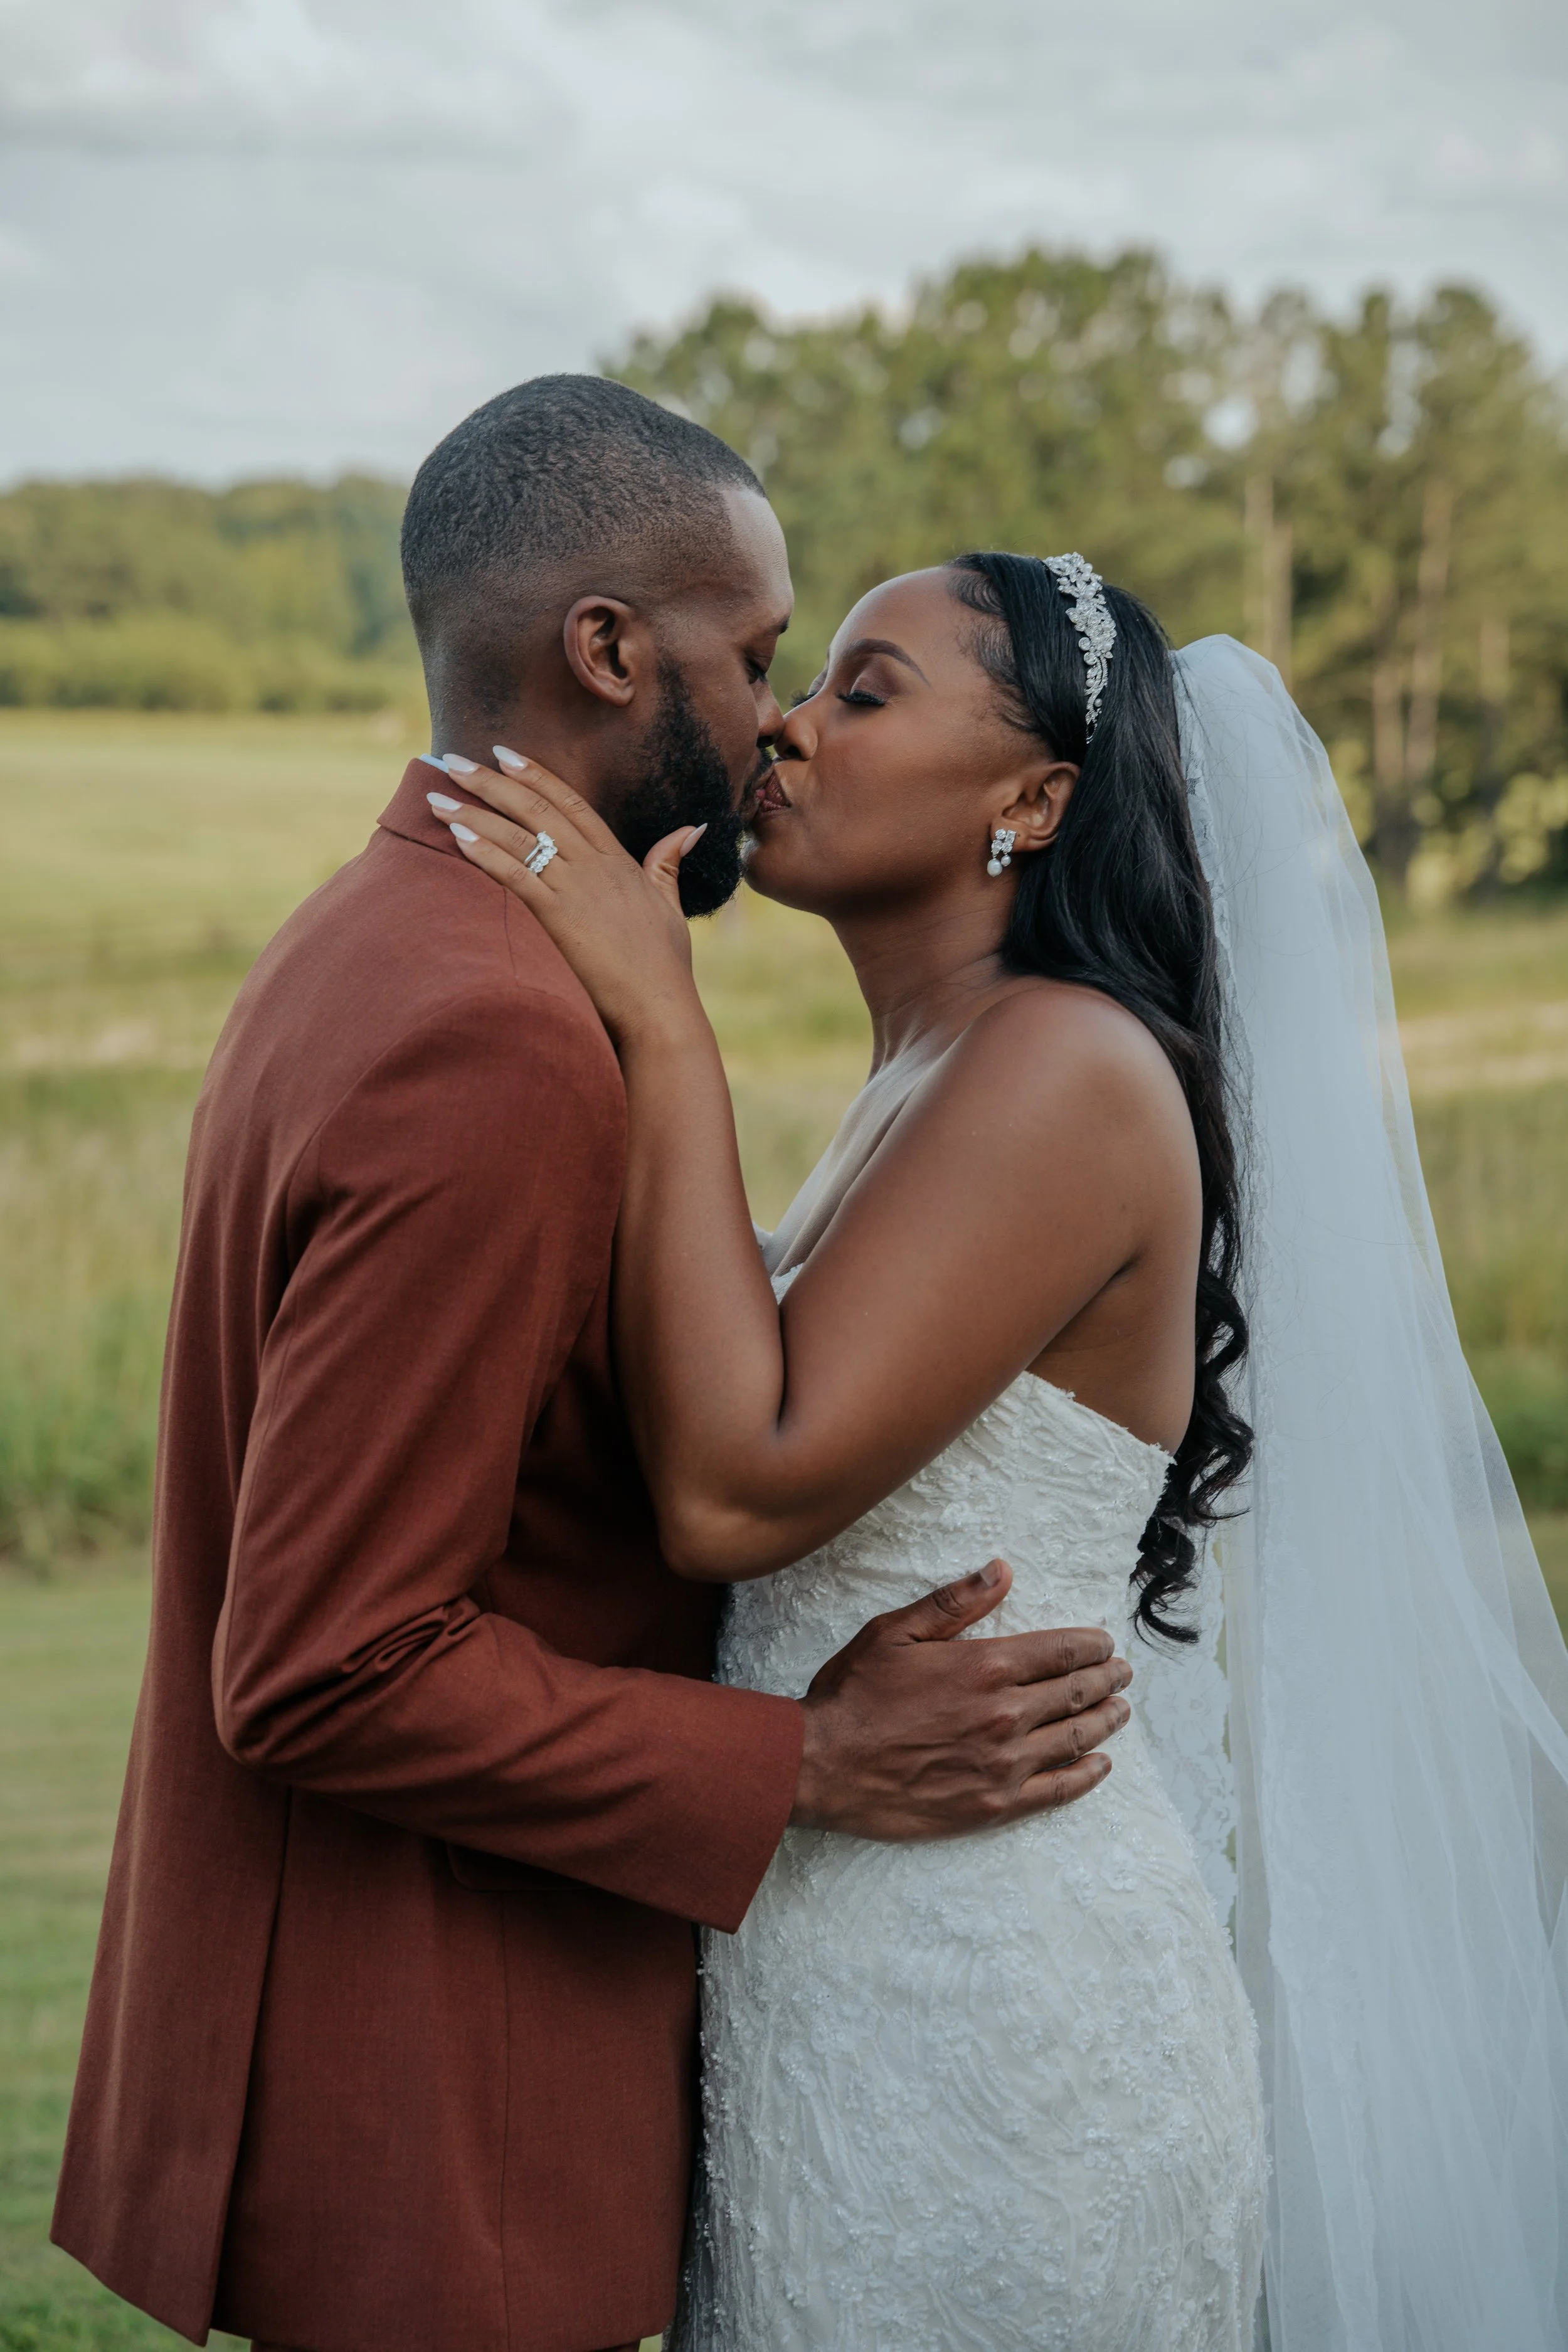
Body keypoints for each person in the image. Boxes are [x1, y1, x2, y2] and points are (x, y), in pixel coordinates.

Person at [50, 382, 1133, 2352]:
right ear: (613, 651)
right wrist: (801, 1758)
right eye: (757, 656)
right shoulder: (504, 1035)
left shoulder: (376, 939)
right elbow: (322, 1658)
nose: (776, 716)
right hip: (433, 2103)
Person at [440, 550, 1568, 2349]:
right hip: (842, 1952)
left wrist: (661, 1015)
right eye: (810, 679)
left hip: (998, 2006)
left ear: (1035, 798)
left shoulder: (1062, 1066)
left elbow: (737, 1478)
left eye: (866, 692)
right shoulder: (931, 1069)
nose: (787, 724)